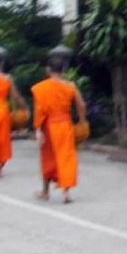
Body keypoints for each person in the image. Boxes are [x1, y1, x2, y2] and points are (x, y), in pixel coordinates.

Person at [31, 50, 87, 204]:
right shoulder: (70, 86)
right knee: (66, 156)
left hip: (48, 126)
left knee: (47, 158)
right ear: (64, 70)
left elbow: (39, 110)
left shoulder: (41, 88)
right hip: (65, 124)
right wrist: (82, 121)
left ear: (48, 70)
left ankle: (45, 191)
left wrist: (37, 130)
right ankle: (66, 193)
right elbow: (81, 105)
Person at [0, 44, 25, 178]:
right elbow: (16, 96)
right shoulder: (7, 78)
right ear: (1, 63)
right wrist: (24, 108)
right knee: (2, 139)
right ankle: (0, 165)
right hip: (4, 111)